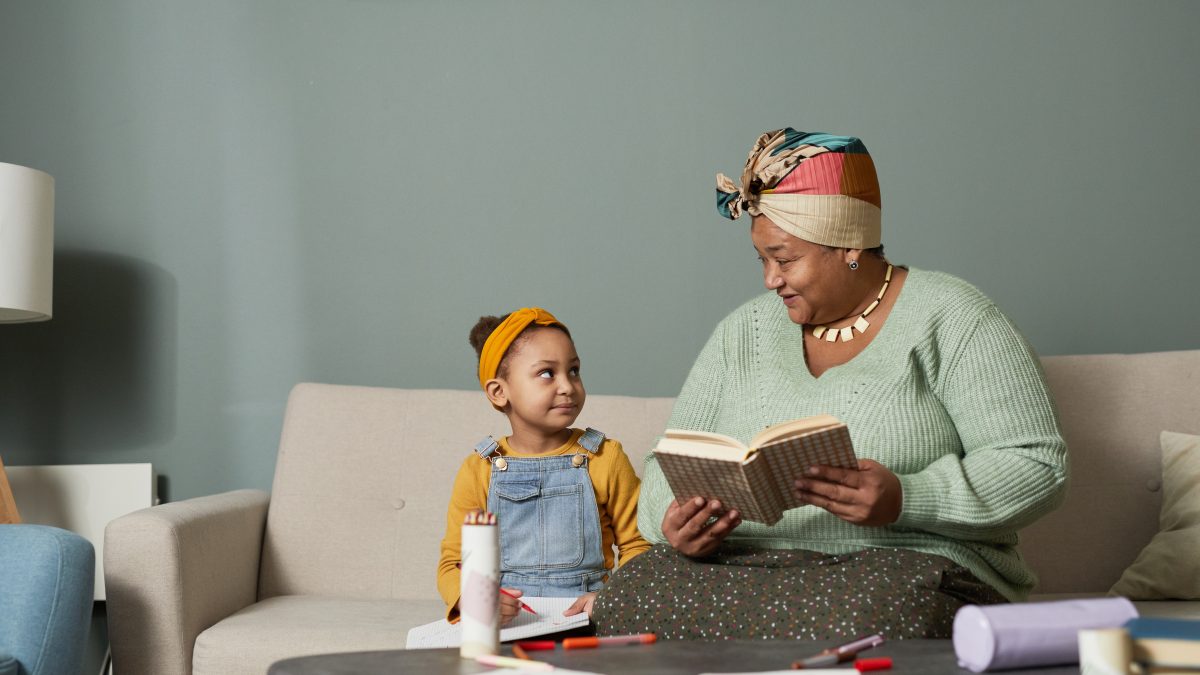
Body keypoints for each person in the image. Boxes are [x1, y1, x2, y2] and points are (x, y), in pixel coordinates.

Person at [591, 129, 1069, 640]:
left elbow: (1036, 462)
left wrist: (907, 498)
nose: (769, 279)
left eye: (785, 258)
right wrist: (677, 521)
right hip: (744, 573)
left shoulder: (954, 317)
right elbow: (665, 467)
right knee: (625, 597)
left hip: (900, 570)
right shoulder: (741, 332)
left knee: (871, 617)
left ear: (849, 245)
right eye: (762, 259)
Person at [437, 307, 650, 625]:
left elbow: (639, 544)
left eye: (574, 371)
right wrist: (474, 599)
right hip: (507, 624)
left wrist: (614, 596)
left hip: (588, 618)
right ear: (499, 392)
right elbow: (454, 562)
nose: (567, 386)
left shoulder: (605, 458)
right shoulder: (478, 470)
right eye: (548, 373)